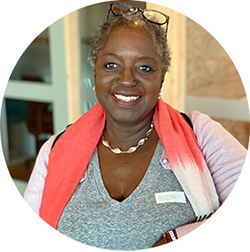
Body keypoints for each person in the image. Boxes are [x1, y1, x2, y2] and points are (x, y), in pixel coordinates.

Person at [24, 2, 247, 250]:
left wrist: (176, 239)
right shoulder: (54, 150)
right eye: (111, 65)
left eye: (145, 68)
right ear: (95, 74)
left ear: (161, 78)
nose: (126, 79)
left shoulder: (200, 134)